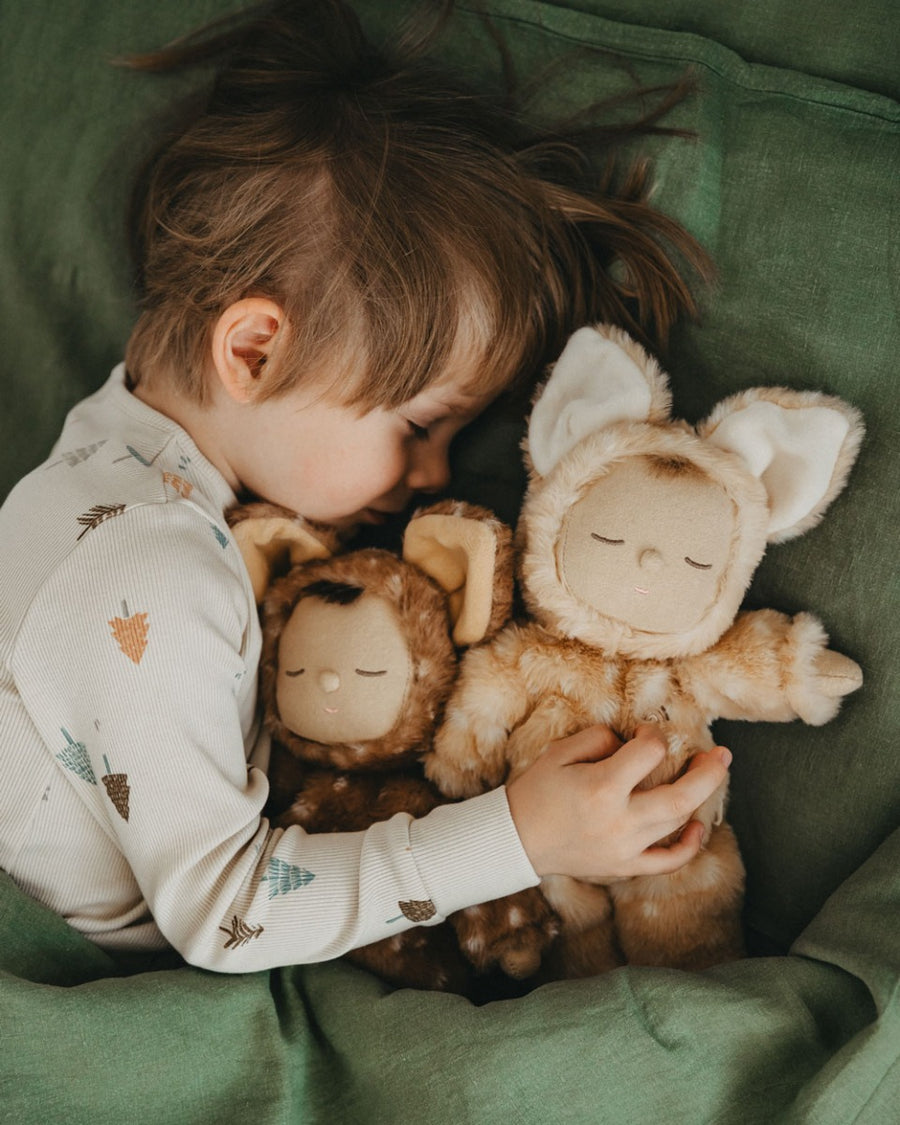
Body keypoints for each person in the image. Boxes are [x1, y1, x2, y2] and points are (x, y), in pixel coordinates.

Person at [0, 0, 730, 974]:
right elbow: (227, 914)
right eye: (419, 428)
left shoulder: (104, 454)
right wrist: (520, 835)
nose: (429, 477)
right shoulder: (156, 573)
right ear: (254, 350)